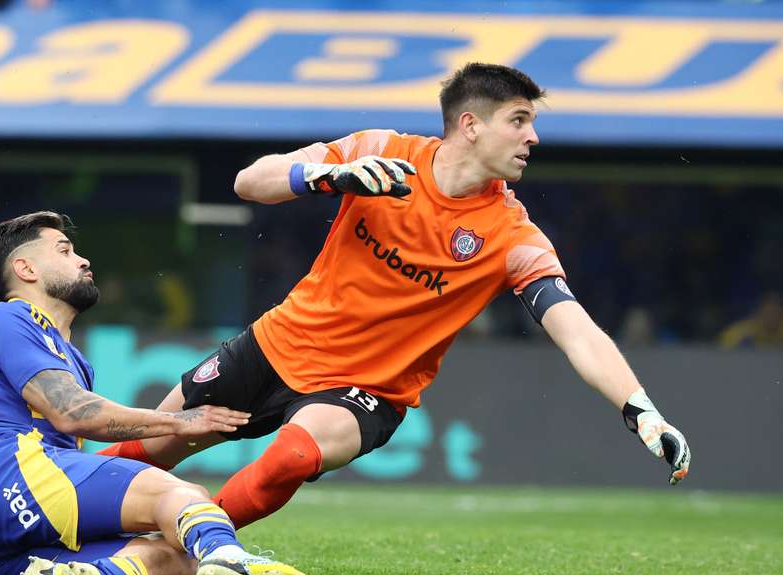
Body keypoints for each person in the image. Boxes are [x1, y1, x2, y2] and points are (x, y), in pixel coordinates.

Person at [101, 63, 692, 530]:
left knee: (291, 455)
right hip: (277, 343)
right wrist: (326, 177)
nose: (533, 137)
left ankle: (195, 543)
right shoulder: (379, 150)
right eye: (519, 120)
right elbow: (248, 181)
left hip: (367, 391)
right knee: (156, 441)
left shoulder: (514, 238)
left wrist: (640, 407)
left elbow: (578, 331)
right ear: (470, 124)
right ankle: (43, 523)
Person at [0, 211, 323, 575]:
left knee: (178, 559)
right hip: (6, 473)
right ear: (25, 269)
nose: (82, 260)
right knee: (180, 495)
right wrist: (177, 422)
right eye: (65, 250)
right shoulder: (11, 316)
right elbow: (72, 412)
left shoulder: (69, 356)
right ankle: (228, 556)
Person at [718, 291, 783, 349]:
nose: (772, 318)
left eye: (776, 313)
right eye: (768, 313)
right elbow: (721, 352)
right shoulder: (741, 332)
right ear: (758, 313)